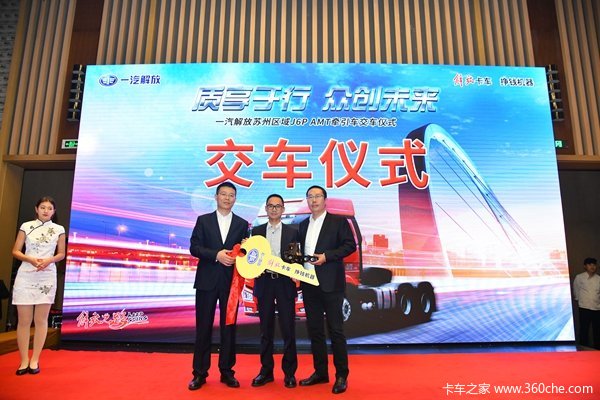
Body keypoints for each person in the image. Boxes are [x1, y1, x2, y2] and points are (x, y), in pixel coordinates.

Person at [188, 182, 249, 390]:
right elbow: (194, 247)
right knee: (203, 327)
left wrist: (243, 253)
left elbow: (245, 253)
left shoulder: (242, 224)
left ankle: (227, 372)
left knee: (229, 328)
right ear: (216, 197)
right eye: (223, 194)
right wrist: (216, 255)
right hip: (206, 281)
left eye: (231, 195)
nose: (227, 198)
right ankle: (199, 373)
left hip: (231, 283)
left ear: (235, 199)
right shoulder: (203, 220)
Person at [298, 185, 356, 394]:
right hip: (309, 283)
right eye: (310, 196)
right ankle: (320, 372)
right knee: (315, 331)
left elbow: (350, 245)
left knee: (336, 331)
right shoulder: (303, 225)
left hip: (331, 284)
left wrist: (327, 256)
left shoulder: (338, 222)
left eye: (317, 196)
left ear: (325, 200)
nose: (314, 200)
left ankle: (341, 375)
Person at [12, 196, 66, 375]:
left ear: (54, 211)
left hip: (47, 275)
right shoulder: (26, 226)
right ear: (36, 209)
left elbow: (61, 254)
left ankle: (35, 359)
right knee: (24, 321)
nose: (46, 211)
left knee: (41, 320)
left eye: (49, 208)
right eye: (42, 207)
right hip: (26, 274)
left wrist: (48, 260)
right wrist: (30, 259)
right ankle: (23, 361)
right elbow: (15, 250)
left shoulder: (59, 229)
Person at [250, 194, 299, 389]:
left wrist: (295, 270)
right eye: (270, 206)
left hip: (284, 283)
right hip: (264, 283)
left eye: (278, 206)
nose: (274, 209)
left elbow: (295, 258)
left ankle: (289, 373)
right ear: (266, 209)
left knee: (288, 329)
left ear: (283, 210)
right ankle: (266, 371)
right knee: (265, 330)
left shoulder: (292, 232)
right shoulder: (256, 231)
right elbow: (251, 257)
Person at [572, 257, 600, 349]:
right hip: (584, 307)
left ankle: (597, 350)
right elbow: (576, 290)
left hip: (597, 308)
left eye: (594, 265)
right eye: (589, 264)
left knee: (597, 330)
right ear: (585, 266)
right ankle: (583, 350)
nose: (592, 267)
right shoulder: (579, 277)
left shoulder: (598, 278)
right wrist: (580, 300)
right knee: (584, 329)